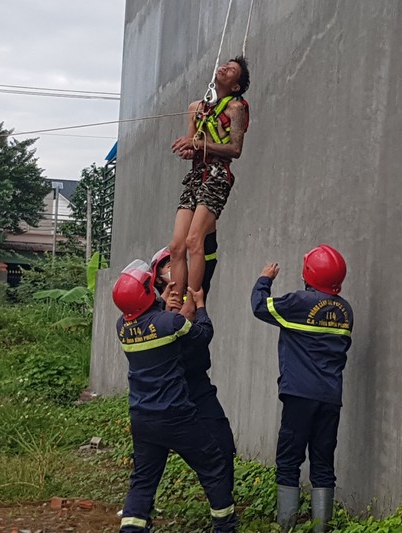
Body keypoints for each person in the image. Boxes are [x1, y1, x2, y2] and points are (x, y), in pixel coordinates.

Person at [112, 259, 237, 533]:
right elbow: (202, 335)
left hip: (142, 420)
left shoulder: (122, 326)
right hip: (177, 416)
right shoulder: (170, 322)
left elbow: (148, 318)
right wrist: (201, 306)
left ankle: (131, 529)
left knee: (143, 480)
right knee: (214, 465)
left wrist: (163, 304)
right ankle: (225, 527)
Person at [250, 245, 353, 532]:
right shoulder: (346, 311)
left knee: (289, 459)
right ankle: (322, 527)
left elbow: (260, 306)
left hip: (299, 396)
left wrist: (264, 279)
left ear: (308, 273)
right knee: (323, 461)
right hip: (331, 396)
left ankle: (286, 525)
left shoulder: (297, 303)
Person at [150, 234, 236, 496]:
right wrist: (165, 312)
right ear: (157, 278)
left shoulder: (195, 293)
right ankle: (141, 511)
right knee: (150, 461)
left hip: (197, 385)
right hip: (165, 391)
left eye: (176, 262)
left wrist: (206, 230)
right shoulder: (150, 309)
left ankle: (223, 507)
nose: (175, 268)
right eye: (167, 265)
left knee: (222, 443)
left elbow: (206, 260)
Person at [169, 56, 250, 320]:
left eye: (232, 70)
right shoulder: (195, 108)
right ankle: (176, 300)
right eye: (225, 65)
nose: (225, 68)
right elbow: (193, 145)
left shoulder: (235, 108)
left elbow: (235, 149)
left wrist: (199, 145)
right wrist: (187, 148)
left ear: (236, 86)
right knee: (176, 246)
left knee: (195, 240)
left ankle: (193, 302)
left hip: (217, 175)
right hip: (197, 175)